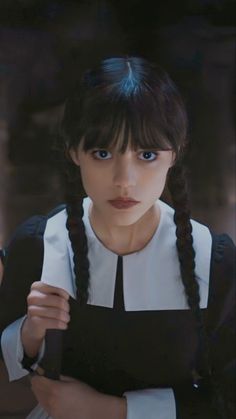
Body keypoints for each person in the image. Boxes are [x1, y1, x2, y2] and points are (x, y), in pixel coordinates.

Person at [0, 56, 235, 419]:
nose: (125, 180)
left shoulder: (214, 260)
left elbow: (228, 398)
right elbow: (9, 377)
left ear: (175, 154)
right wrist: (30, 333)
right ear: (73, 152)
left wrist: (111, 410)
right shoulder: (37, 244)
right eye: (103, 153)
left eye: (147, 154)